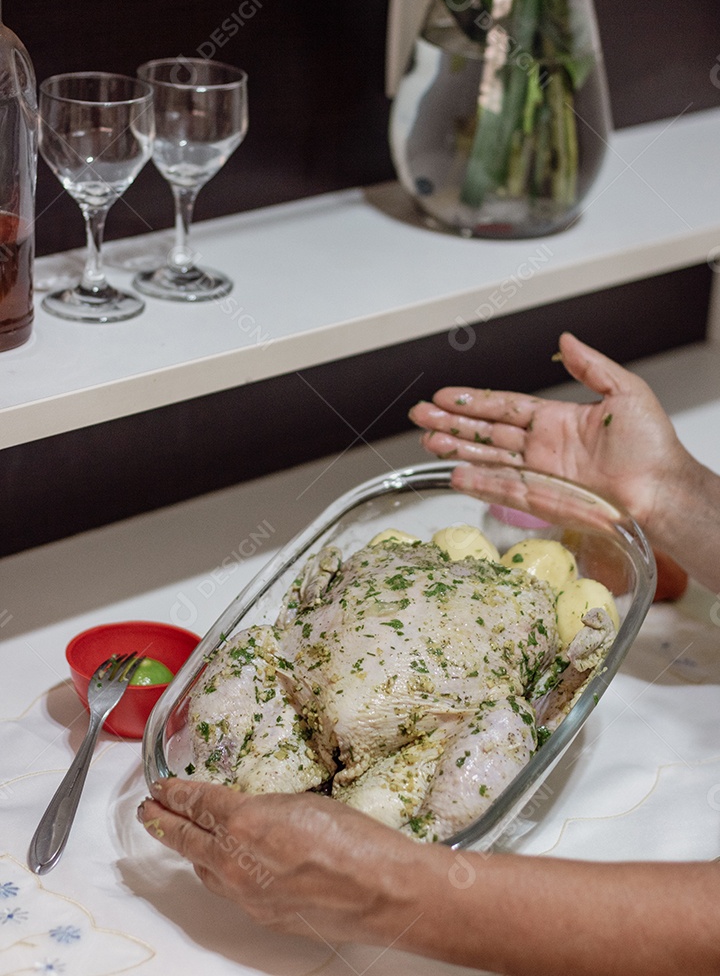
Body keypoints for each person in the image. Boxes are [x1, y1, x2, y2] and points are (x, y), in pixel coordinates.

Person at [138, 332, 720, 976]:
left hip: (430, 736)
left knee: (492, 729)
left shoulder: (525, 608)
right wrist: (669, 490)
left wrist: (399, 891)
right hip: (307, 693)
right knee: (255, 676)